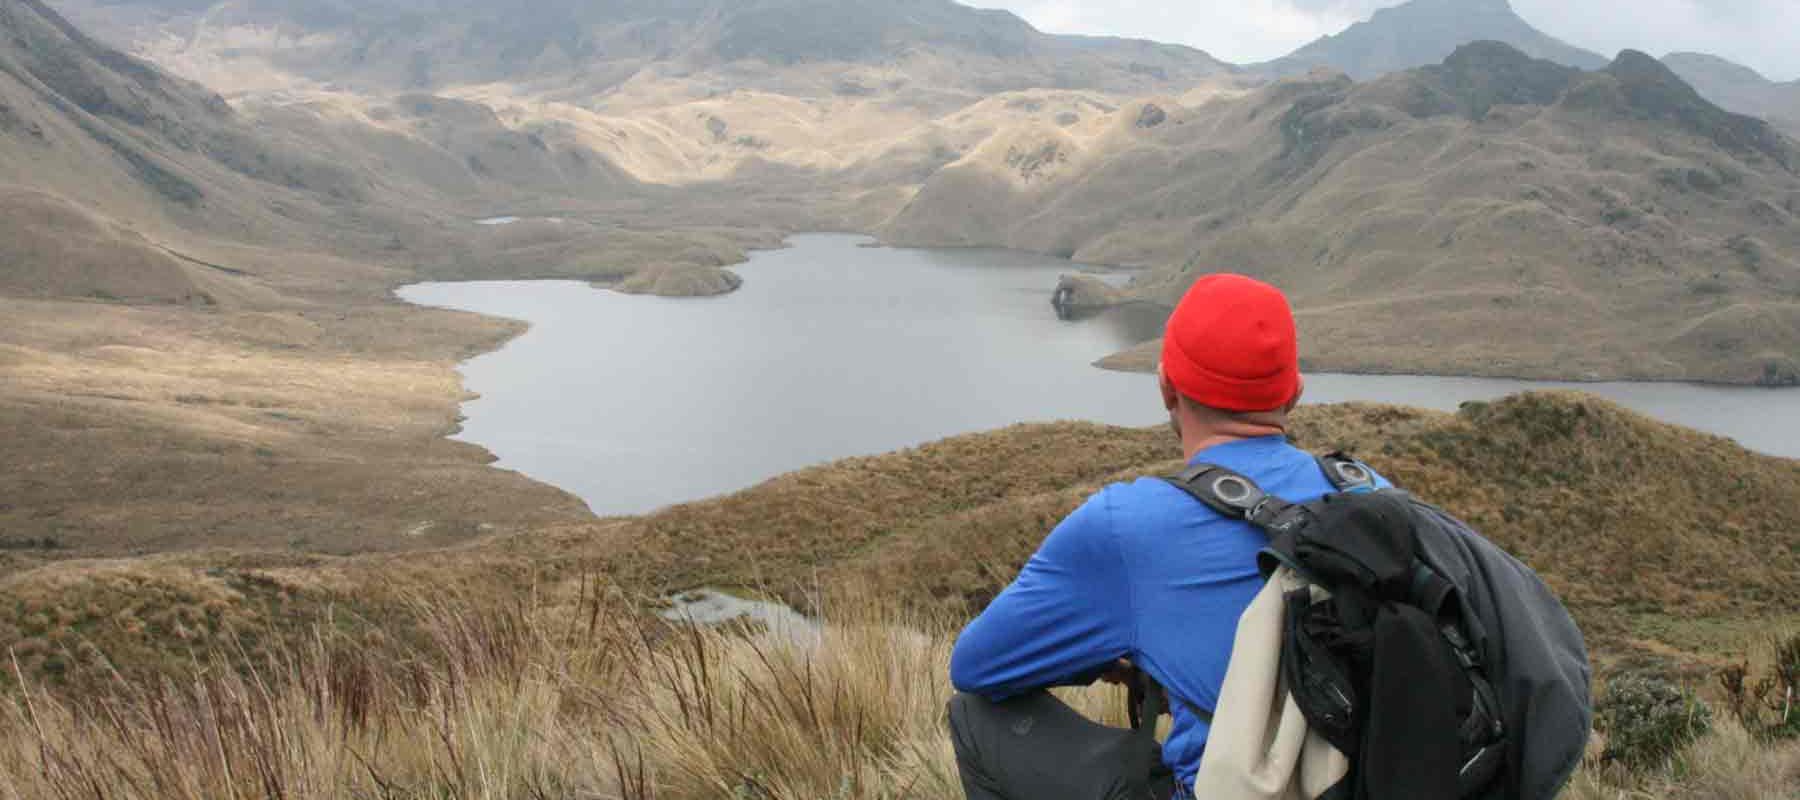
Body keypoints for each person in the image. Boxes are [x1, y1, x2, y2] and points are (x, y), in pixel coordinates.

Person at [947, 273, 1378, 800]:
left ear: (1166, 388)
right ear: (1294, 392)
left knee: (973, 716)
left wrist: (1112, 656)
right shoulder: (1379, 498)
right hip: (1376, 782)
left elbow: (976, 666)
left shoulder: (1126, 524)